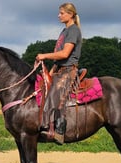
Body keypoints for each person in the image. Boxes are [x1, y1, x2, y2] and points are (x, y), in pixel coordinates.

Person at [36, 2, 82, 144]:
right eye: (59, 13)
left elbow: (65, 54)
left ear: (71, 14)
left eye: (62, 13)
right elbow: (58, 57)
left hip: (68, 70)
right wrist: (50, 71)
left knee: (56, 93)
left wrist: (44, 55)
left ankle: (59, 131)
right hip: (60, 69)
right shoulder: (64, 31)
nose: (59, 16)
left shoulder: (73, 30)